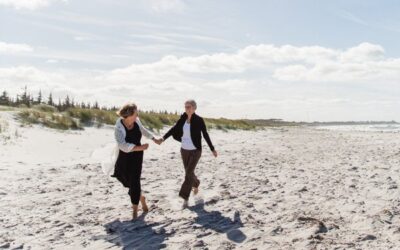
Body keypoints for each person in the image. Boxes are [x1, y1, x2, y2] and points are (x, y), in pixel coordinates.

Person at [155, 99, 218, 208]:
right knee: (189, 172)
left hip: (196, 150)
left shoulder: (199, 120)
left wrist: (212, 149)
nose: (186, 109)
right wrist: (163, 138)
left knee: (188, 173)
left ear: (194, 108)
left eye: (188, 107)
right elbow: (174, 129)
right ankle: (196, 183)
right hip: (184, 149)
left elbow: (205, 134)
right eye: (185, 107)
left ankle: (184, 198)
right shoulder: (183, 118)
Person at [112, 103, 158, 219]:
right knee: (120, 176)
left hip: (136, 156)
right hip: (124, 156)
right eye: (136, 112)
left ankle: (135, 209)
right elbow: (122, 146)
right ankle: (140, 196)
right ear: (129, 114)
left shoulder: (136, 121)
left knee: (134, 180)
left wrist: (154, 138)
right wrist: (140, 147)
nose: (137, 114)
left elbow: (143, 130)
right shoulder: (118, 127)